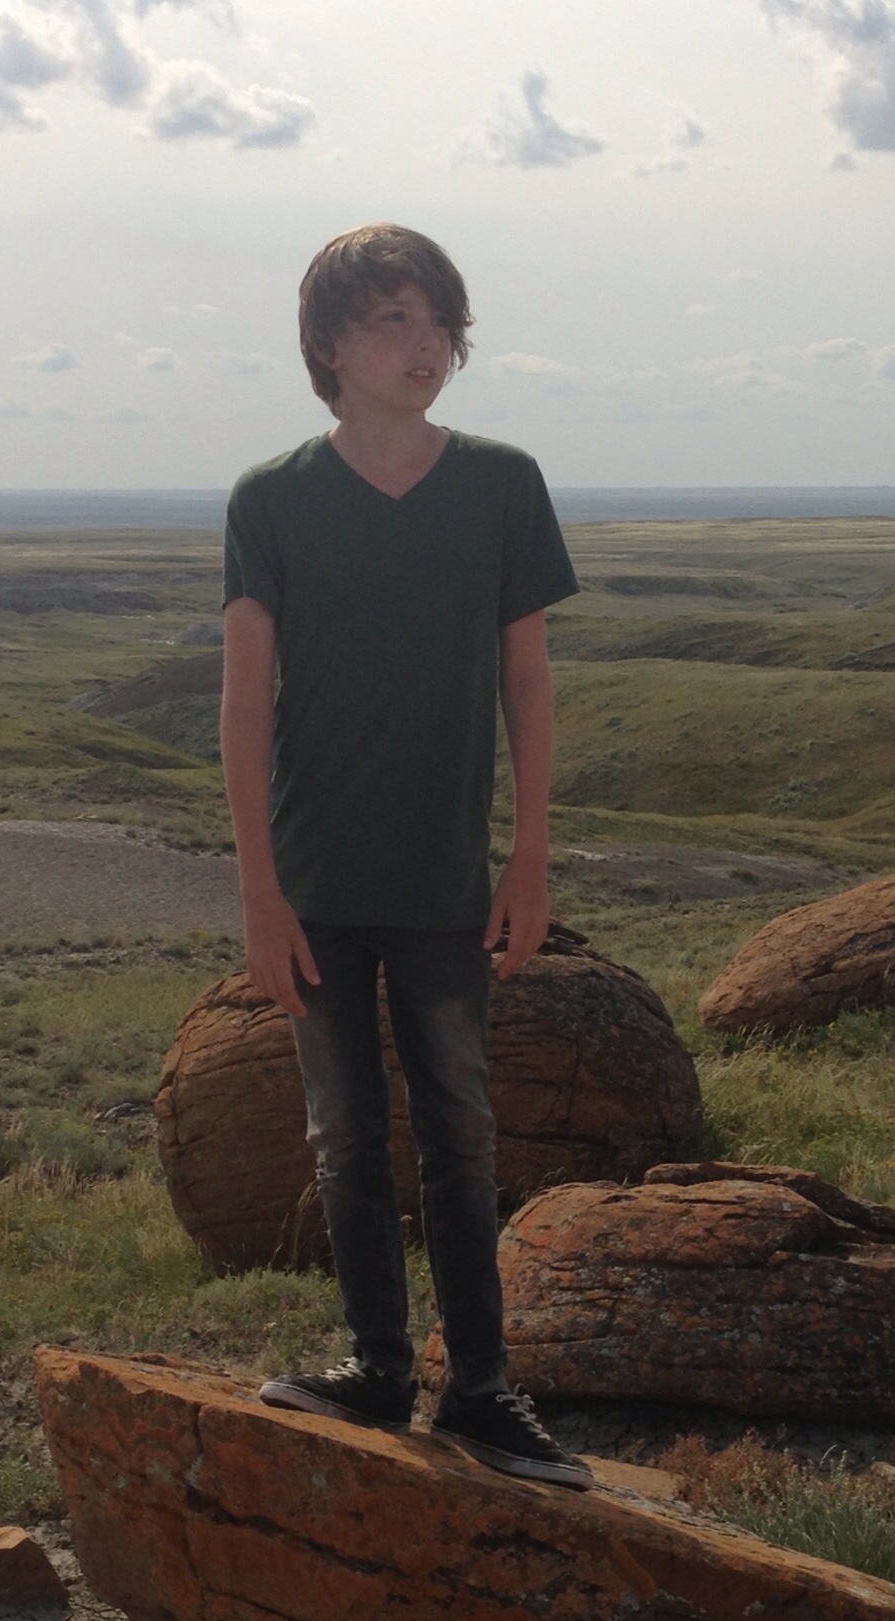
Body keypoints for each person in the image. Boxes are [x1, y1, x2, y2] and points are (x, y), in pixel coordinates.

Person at [219, 223, 592, 1490]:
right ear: (328, 345)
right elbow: (243, 705)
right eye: (393, 319)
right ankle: (380, 1372)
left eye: (438, 320)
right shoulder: (269, 501)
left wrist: (529, 855)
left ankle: (481, 1391)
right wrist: (259, 894)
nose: (424, 343)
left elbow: (530, 685)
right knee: (343, 1139)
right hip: (318, 885)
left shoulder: (502, 484)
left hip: (444, 881)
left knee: (462, 1135)